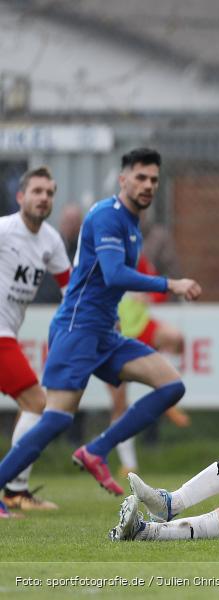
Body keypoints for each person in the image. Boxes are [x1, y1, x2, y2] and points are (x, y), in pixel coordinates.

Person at [0, 148, 202, 499]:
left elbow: (82, 277)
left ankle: (96, 450)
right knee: (56, 418)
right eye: (140, 177)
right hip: (77, 329)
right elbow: (112, 274)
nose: (148, 185)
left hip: (105, 332)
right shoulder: (107, 216)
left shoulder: (131, 225)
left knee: (171, 386)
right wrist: (170, 284)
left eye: (154, 179)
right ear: (123, 179)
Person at [0, 167, 71, 517]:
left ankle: (14, 489)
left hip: (7, 333)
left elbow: (69, 288)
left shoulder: (51, 241)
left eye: (49, 192)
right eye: (37, 191)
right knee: (36, 402)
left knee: (34, 405)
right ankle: (13, 488)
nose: (44, 197)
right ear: (21, 196)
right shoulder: (4, 230)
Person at [108, 252, 191, 477]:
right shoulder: (101, 260)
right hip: (114, 336)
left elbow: (159, 292)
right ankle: (129, 464)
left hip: (143, 328)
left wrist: (149, 298)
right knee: (119, 403)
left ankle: (168, 394)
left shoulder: (139, 259)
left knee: (175, 338)